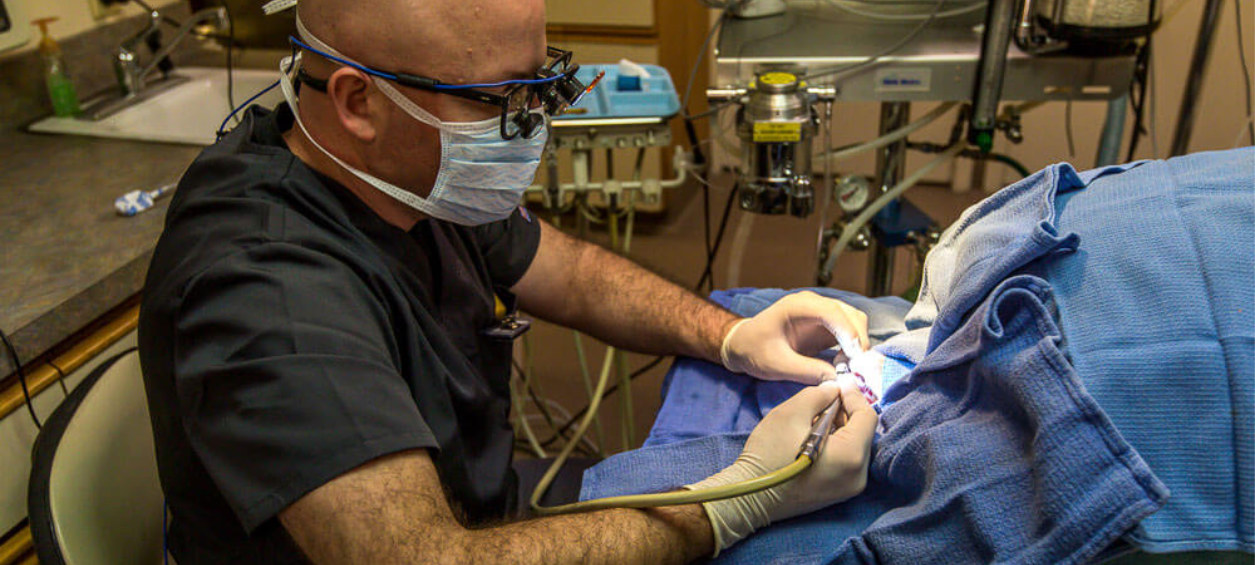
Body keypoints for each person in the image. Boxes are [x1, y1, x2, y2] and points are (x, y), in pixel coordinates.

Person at [138, 0, 878, 562]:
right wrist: (732, 502)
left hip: (482, 506)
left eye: (541, 85)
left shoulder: (411, 179)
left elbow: (573, 274)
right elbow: (422, 558)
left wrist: (733, 335)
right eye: (501, 100)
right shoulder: (271, 293)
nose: (530, 125)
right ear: (359, 102)